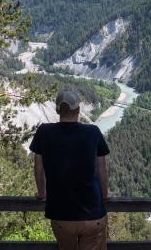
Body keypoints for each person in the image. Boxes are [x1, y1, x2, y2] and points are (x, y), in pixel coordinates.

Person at [30, 90, 110, 250]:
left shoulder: (44, 132)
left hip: (61, 216)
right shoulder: (93, 132)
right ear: (79, 110)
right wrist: (105, 194)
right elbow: (101, 169)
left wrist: (41, 193)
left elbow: (38, 168)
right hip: (93, 214)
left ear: (58, 110)